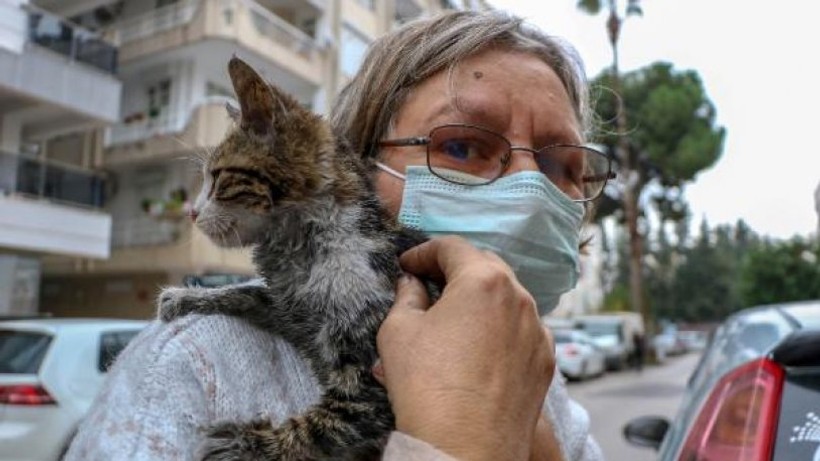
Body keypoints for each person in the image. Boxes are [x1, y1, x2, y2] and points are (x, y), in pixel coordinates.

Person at [66, 10, 606, 461]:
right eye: (461, 147)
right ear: (360, 165)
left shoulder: (546, 384)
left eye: (565, 165)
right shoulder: (196, 370)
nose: (531, 188)